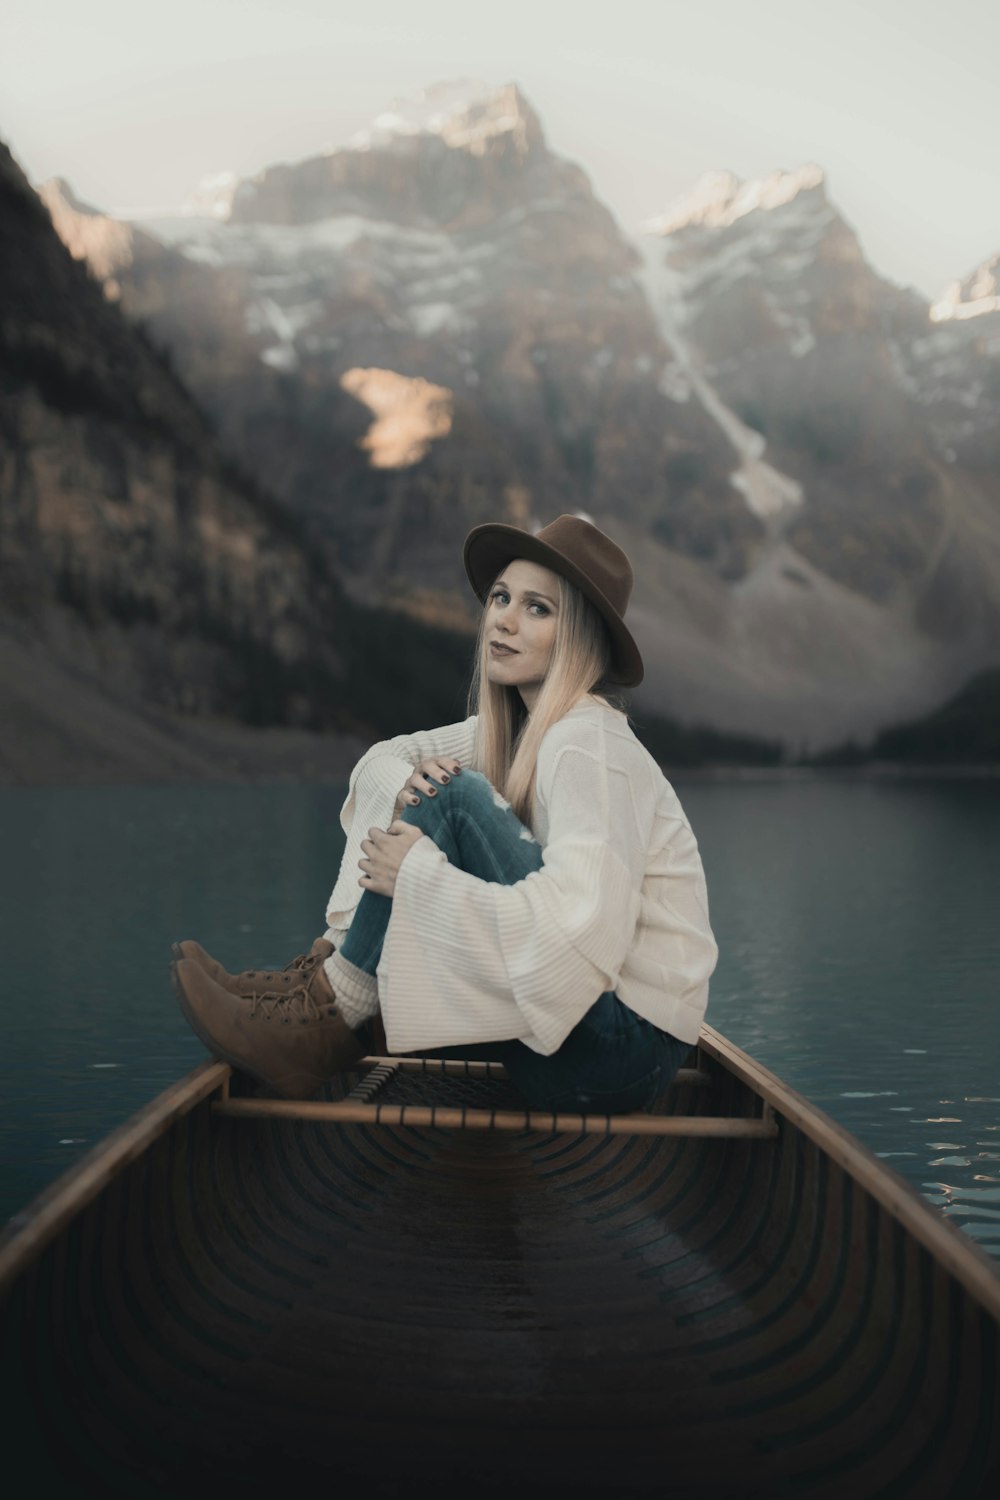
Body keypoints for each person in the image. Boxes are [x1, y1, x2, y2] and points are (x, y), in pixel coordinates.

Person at [172, 514, 719, 1112]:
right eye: (501, 598)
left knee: (452, 795)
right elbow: (384, 759)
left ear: (579, 639)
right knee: (433, 783)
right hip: (566, 1035)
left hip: (622, 1052)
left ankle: (333, 1016)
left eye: (538, 609)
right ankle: (328, 984)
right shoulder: (517, 729)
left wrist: (420, 877)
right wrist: (407, 786)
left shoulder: (590, 743)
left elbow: (581, 934)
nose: (504, 619)